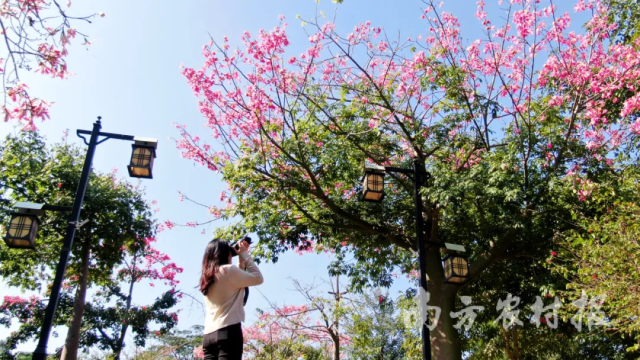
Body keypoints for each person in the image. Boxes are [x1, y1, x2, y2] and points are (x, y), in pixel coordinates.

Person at [199, 238, 263, 360]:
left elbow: (235, 283)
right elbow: (258, 278)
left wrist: (240, 262)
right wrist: (244, 254)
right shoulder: (228, 270)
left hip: (208, 336)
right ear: (224, 253)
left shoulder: (206, 277)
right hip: (228, 332)